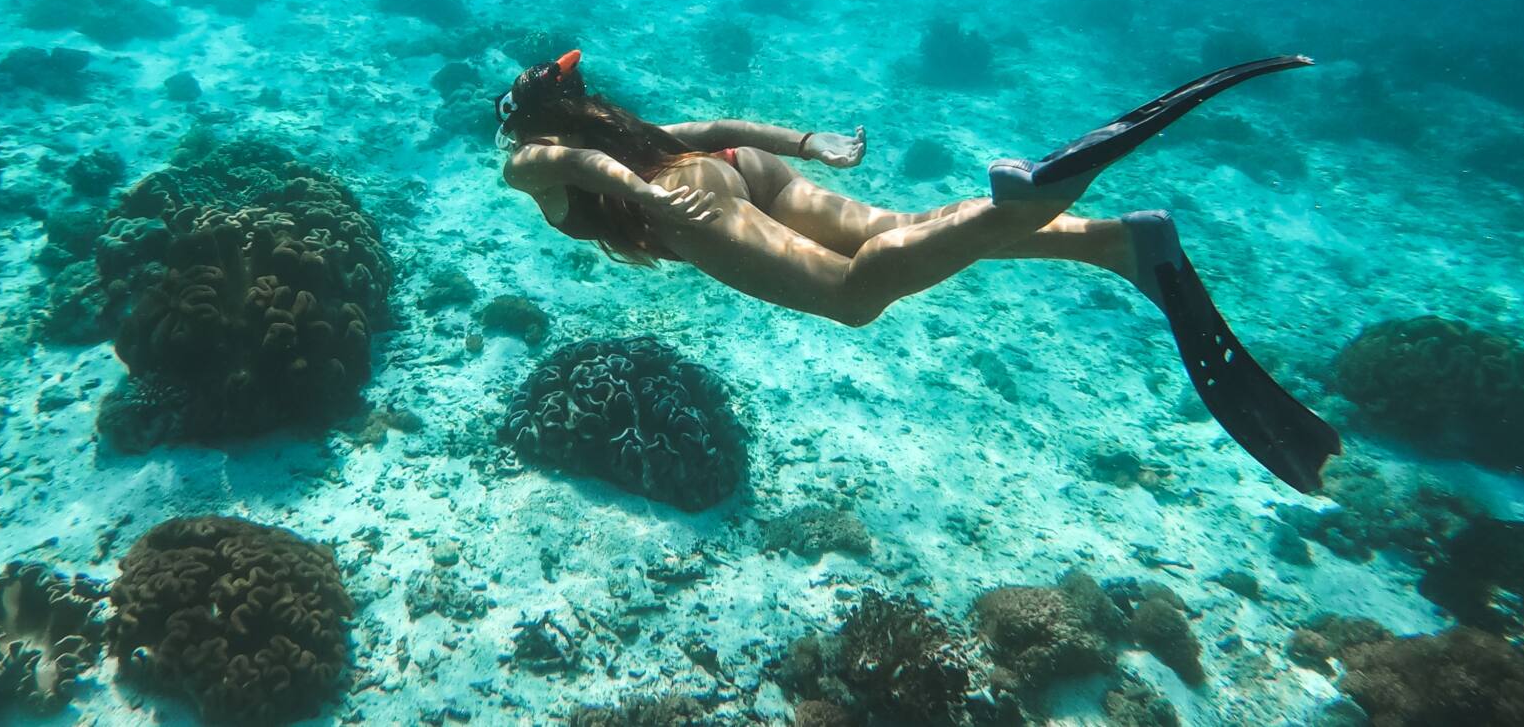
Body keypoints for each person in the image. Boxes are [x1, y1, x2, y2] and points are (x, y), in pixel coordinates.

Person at [495, 48, 1341, 494]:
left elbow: (586, 172)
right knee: (897, 230)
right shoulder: (614, 126)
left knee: (854, 293)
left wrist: (649, 194)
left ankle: (1022, 201)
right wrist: (803, 143)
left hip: (684, 199)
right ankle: (1118, 242)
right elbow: (710, 123)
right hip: (732, 165)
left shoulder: (527, 159)